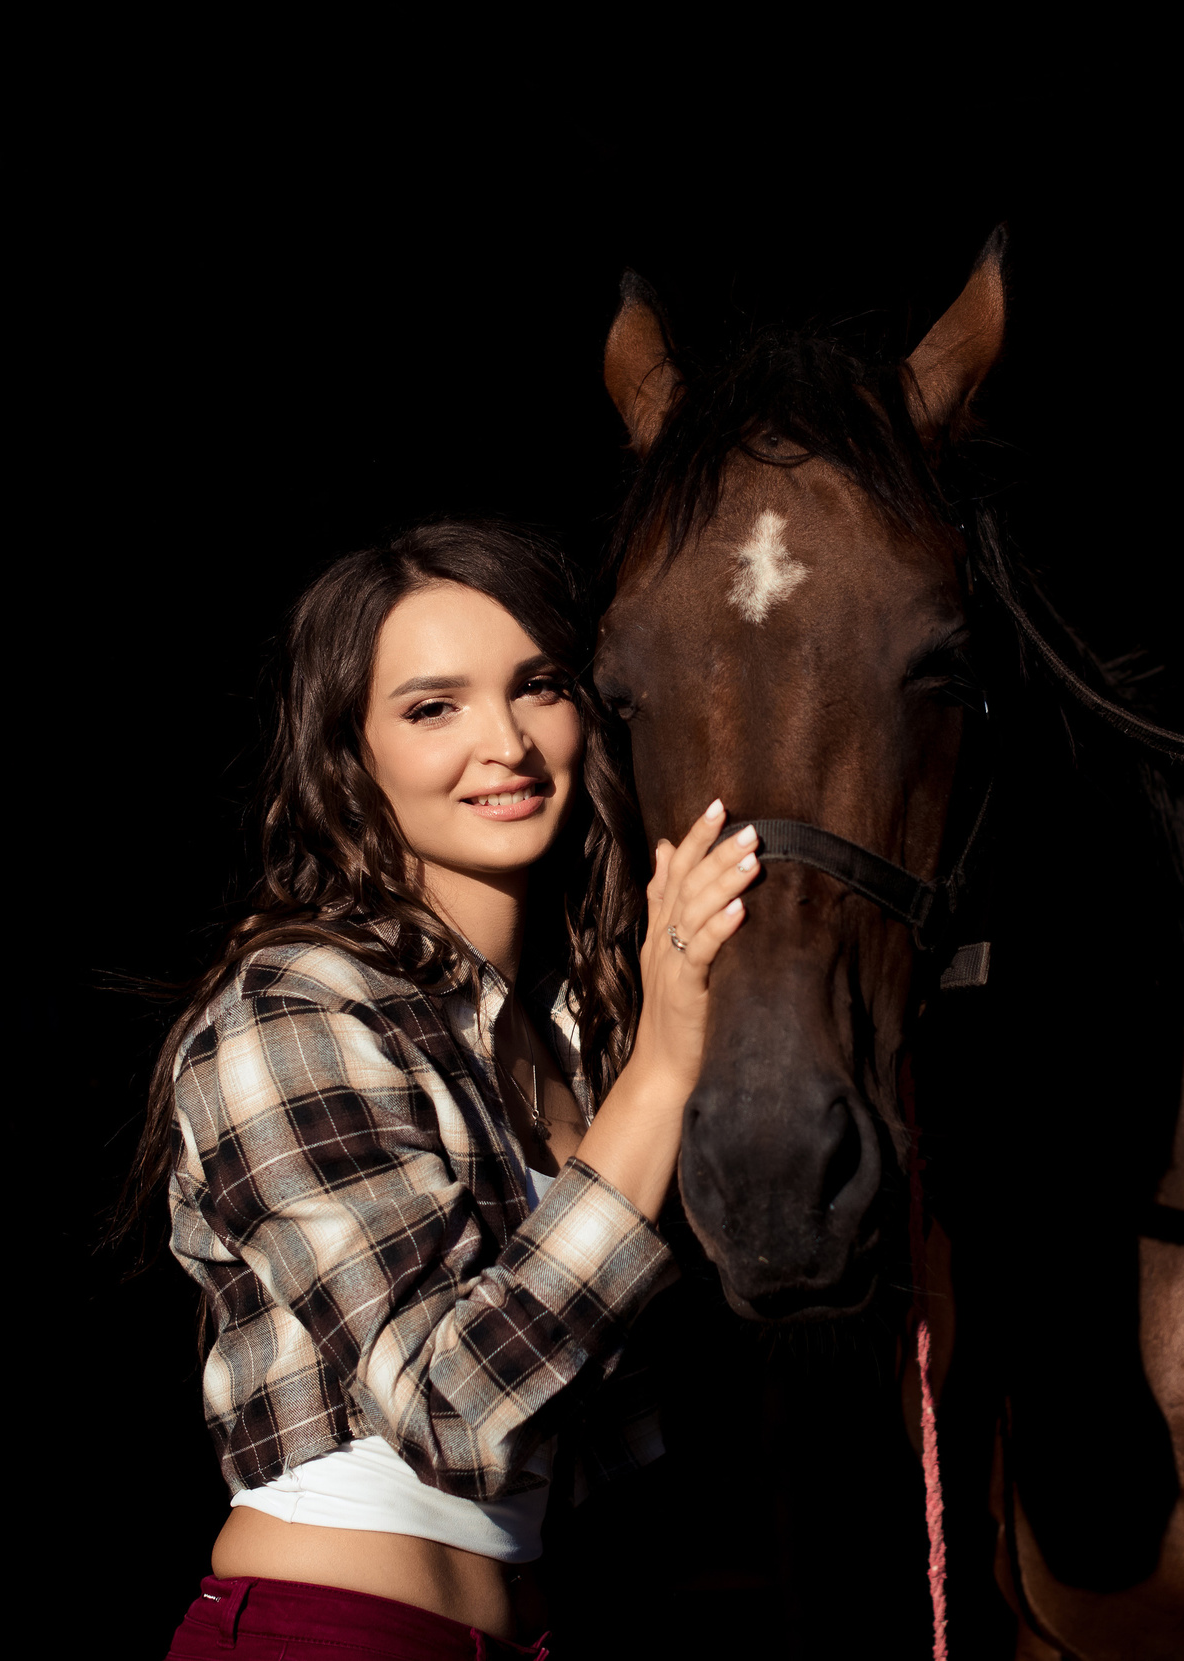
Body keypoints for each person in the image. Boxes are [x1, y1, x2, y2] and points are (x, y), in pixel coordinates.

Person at [121, 519, 757, 1659]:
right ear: (347, 753)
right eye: (432, 707)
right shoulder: (294, 1008)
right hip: (328, 1633)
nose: (504, 743)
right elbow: (459, 1409)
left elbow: (613, 1422)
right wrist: (665, 1066)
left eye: (538, 686)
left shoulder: (569, 1025)